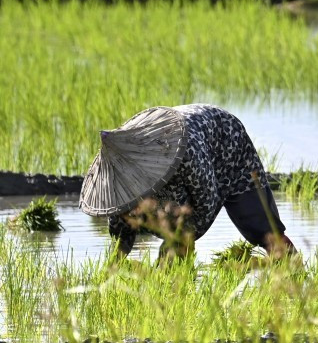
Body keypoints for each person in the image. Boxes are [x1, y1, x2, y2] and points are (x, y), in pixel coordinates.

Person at [79, 103, 296, 261]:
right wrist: (115, 265)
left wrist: (179, 240)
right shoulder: (121, 180)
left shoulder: (185, 156)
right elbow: (120, 232)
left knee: (262, 226)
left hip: (227, 140)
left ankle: (294, 271)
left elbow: (206, 201)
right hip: (184, 161)